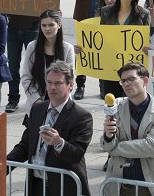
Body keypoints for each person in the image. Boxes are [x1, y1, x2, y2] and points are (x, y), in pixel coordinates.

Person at [7, 60, 93, 196]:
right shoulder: (37, 108)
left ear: (70, 85)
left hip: (63, 187)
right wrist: (4, 165)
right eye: (49, 82)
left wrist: (59, 143)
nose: (52, 87)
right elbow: (25, 145)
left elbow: (77, 154)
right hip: (35, 185)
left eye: (58, 83)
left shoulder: (82, 116)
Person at [101, 63, 154, 196]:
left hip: (148, 185)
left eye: (131, 79)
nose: (126, 84)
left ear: (145, 80)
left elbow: (152, 147)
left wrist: (115, 149)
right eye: (123, 81)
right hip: (118, 184)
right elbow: (106, 145)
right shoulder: (115, 105)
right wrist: (108, 136)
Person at [64, 0, 120, 100]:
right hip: (85, 18)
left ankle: (104, 85)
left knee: (104, 52)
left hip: (104, 19)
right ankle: (80, 85)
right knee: (82, 53)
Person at [96, 0, 151, 98]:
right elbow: (100, 37)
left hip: (133, 68)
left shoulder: (143, 14)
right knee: (112, 103)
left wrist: (148, 48)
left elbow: (146, 39)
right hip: (111, 65)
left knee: (131, 101)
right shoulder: (106, 11)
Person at [21, 10, 75, 122]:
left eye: (51, 25)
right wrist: (37, 102)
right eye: (43, 25)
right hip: (36, 104)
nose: (47, 29)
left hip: (60, 105)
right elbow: (26, 77)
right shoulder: (32, 47)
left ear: (59, 25)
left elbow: (70, 80)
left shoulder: (68, 48)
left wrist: (57, 101)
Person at [5, 0, 40, 113]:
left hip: (33, 28)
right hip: (12, 28)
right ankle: (13, 98)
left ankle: (34, 98)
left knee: (33, 65)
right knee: (12, 65)